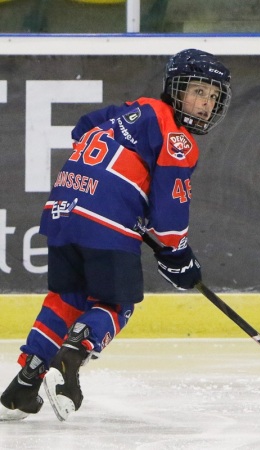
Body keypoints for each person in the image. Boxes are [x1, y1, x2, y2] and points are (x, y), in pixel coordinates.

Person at [0, 49, 232, 422]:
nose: (205, 104)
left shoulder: (135, 109)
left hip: (63, 207)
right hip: (103, 220)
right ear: (175, 89)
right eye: (197, 92)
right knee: (115, 304)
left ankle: (24, 385)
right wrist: (178, 255)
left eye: (212, 96)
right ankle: (74, 351)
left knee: (68, 298)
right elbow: (170, 221)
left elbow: (82, 127)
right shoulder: (178, 139)